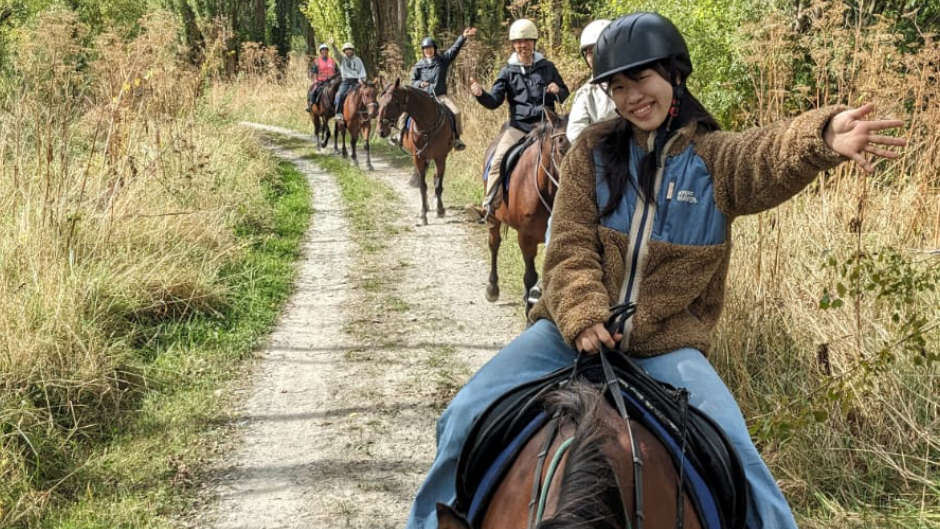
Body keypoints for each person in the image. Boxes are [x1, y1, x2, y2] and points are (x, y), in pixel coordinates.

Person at [405, 11, 906, 529]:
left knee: (744, 462)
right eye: (617, 87)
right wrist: (581, 315)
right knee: (462, 415)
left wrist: (822, 135)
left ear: (674, 75)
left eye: (641, 79)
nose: (631, 97)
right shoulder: (592, 153)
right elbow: (570, 242)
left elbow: (766, 153)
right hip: (566, 333)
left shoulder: (715, 161)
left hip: (667, 346)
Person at [527, 18, 617, 306]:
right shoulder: (588, 93)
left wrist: (556, 90)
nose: (594, 56)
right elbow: (577, 134)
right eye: (589, 52)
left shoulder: (638, 84)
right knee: (560, 215)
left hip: (635, 164)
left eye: (598, 49)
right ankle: (547, 277)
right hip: (590, 163)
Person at [468, 18, 569, 219]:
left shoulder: (547, 67)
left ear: (534, 42)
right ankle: (489, 205)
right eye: (518, 42)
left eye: (527, 41)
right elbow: (494, 101)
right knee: (497, 160)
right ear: (513, 45)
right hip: (519, 127)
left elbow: (564, 92)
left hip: (546, 125)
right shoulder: (507, 71)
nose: (523, 46)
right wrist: (481, 94)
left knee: (569, 154)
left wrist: (558, 90)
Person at [392, 28, 477, 151]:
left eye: (431, 48)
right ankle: (399, 135)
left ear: (434, 49)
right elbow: (413, 82)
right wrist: (420, 84)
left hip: (440, 96)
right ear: (423, 51)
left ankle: (456, 138)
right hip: (422, 98)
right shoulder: (419, 65)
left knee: (456, 112)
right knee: (404, 114)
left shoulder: (443, 60)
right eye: (426, 49)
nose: (428, 51)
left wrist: (463, 37)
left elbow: (454, 50)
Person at [331, 40, 367, 124]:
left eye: (350, 49)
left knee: (366, 94)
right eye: (346, 50)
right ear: (344, 51)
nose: (348, 51)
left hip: (357, 81)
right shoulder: (342, 59)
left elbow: (362, 71)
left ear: (352, 50)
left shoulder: (358, 60)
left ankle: (366, 114)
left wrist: (362, 80)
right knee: (339, 94)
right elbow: (336, 54)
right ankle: (339, 113)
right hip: (346, 82)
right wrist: (333, 46)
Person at [307, 43, 338, 113]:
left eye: (326, 50)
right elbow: (314, 71)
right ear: (320, 52)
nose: (324, 52)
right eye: (322, 50)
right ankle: (311, 105)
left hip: (331, 82)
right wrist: (315, 80)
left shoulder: (332, 61)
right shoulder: (317, 61)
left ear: (328, 51)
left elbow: (337, 71)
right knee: (313, 91)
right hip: (320, 81)